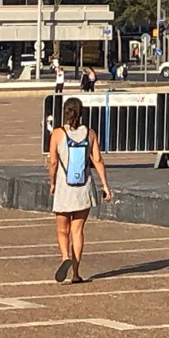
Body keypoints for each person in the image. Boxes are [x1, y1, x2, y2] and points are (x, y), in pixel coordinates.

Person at [45, 98, 109, 282]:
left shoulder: (57, 134)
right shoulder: (90, 134)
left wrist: (52, 182)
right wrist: (105, 185)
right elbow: (97, 160)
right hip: (84, 186)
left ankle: (65, 257)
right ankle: (76, 273)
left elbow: (53, 161)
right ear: (81, 113)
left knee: (61, 230)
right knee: (77, 230)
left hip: (64, 186)